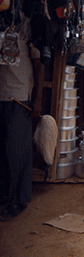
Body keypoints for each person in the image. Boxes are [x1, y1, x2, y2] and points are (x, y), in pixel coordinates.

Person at [0, 11, 41, 221]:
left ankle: (18, 200)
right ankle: (5, 196)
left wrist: (37, 99)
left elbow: (39, 65)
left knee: (16, 151)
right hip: (3, 95)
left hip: (19, 97)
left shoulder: (27, 29)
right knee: (3, 152)